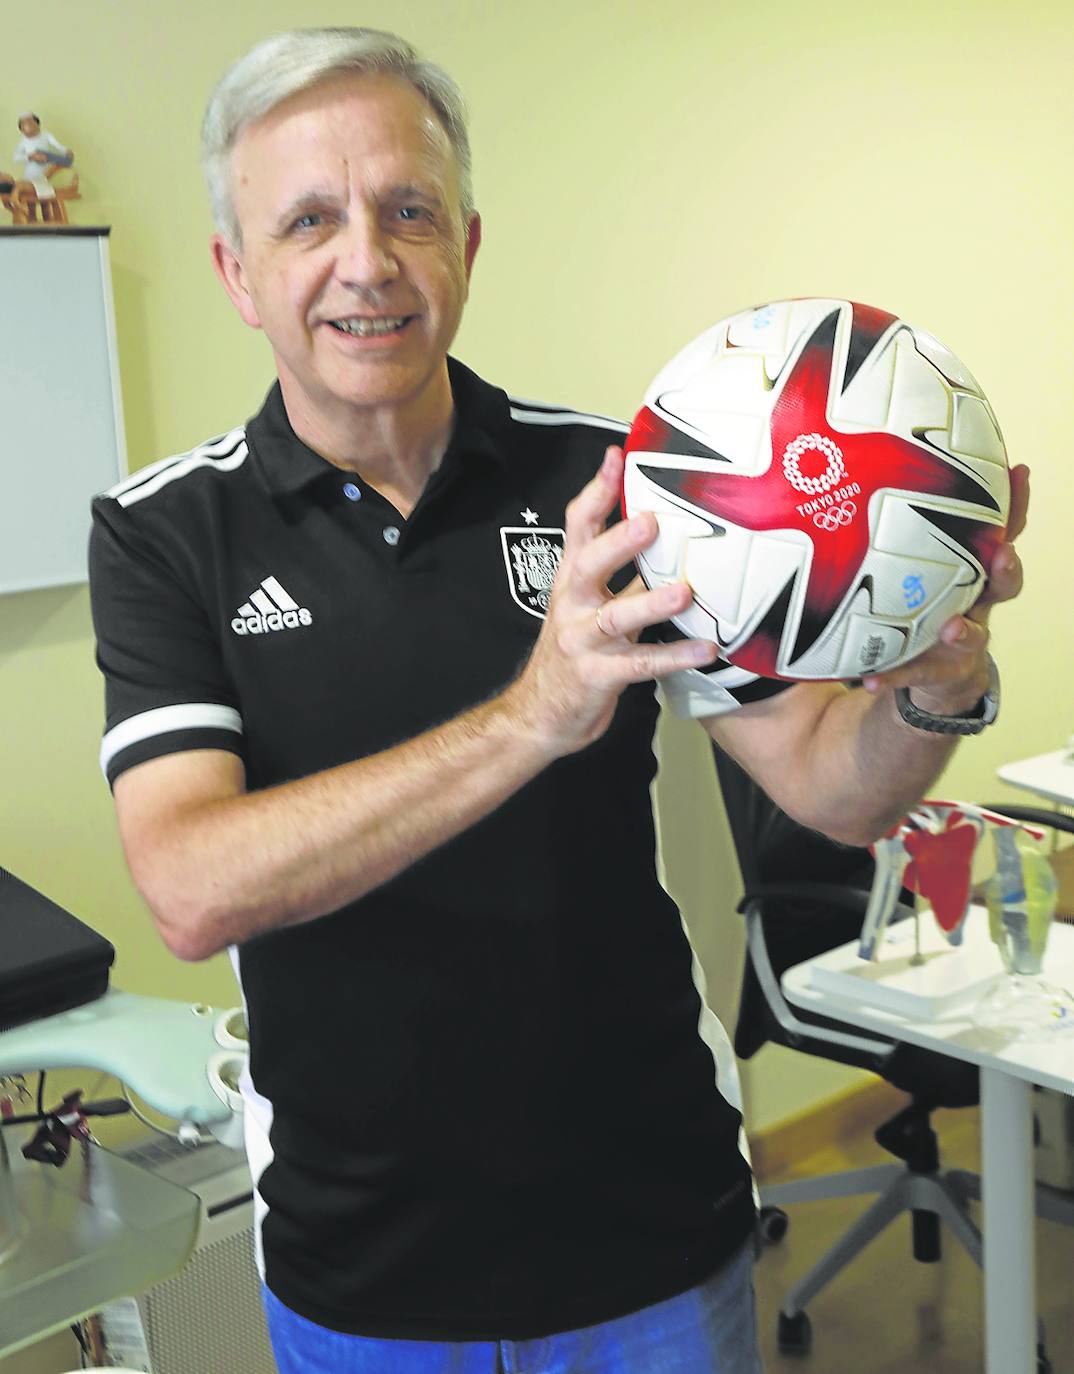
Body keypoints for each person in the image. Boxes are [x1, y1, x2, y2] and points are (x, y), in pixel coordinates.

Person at [88, 27, 1027, 1374]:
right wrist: (534, 712)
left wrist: (937, 685)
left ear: (465, 243)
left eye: (406, 210)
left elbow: (831, 788)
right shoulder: (166, 534)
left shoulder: (630, 480)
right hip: (366, 1279)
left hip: (656, 1238)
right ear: (240, 274)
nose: (366, 259)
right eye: (308, 220)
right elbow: (190, 885)